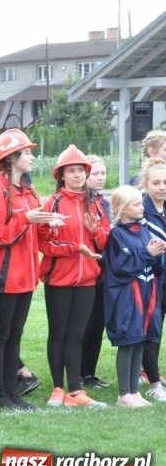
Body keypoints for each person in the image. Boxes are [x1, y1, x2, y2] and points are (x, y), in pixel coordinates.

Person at [0, 129, 59, 411]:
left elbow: (32, 235)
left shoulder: (26, 191)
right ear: (12, 158)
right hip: (3, 280)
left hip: (26, 278)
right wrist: (26, 219)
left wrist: (49, 223)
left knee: (14, 337)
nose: (32, 157)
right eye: (26, 152)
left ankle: (12, 394)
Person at [38, 146, 108, 409]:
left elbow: (104, 242)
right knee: (58, 334)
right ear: (61, 175)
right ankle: (58, 388)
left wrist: (95, 231)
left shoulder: (96, 204)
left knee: (77, 335)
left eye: (81, 170)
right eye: (71, 171)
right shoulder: (52, 203)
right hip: (58, 279)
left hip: (87, 280)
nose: (77, 175)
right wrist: (73, 249)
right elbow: (43, 244)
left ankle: (75, 391)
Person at [105, 185, 165, 408]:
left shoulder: (144, 231)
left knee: (140, 339)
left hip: (148, 294)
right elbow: (121, 266)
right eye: (136, 204)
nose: (142, 207)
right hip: (127, 298)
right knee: (128, 341)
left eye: (141, 203)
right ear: (122, 208)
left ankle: (134, 391)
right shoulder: (117, 234)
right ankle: (124, 394)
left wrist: (158, 254)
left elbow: (154, 263)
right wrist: (147, 254)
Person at [81, 155, 112, 389]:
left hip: (103, 271)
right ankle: (80, 373)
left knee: (98, 324)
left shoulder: (105, 203)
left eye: (103, 173)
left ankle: (90, 373)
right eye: (95, 174)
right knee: (85, 324)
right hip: (84, 270)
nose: (100, 178)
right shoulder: (81, 202)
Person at [137, 157, 166, 402]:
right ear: (145, 185)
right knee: (151, 328)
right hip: (150, 278)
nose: (162, 187)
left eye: (165, 182)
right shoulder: (140, 210)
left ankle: (152, 371)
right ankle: (150, 378)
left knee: (158, 327)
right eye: (156, 183)